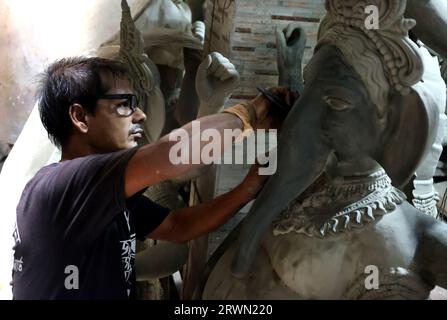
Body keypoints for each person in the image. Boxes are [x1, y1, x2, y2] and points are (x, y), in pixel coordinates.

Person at [11, 56, 294, 299]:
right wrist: (251, 112)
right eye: (125, 104)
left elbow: (177, 226)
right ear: (80, 116)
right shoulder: (61, 187)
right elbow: (172, 154)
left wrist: (249, 187)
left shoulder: (98, 195)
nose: (141, 115)